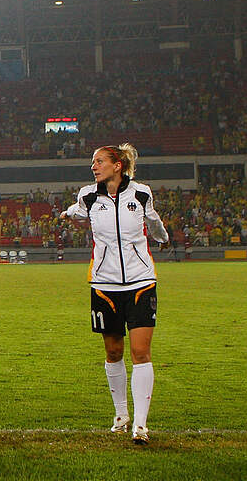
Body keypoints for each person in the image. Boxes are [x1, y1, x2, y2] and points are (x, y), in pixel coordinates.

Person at [62, 144, 168, 445]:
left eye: (99, 161)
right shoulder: (88, 195)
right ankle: (121, 415)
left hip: (140, 281)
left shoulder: (141, 193)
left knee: (141, 353)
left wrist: (162, 238)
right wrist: (67, 213)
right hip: (104, 284)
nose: (94, 166)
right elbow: (78, 210)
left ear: (118, 165)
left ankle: (141, 425)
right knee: (113, 352)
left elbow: (154, 221)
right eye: (93, 162)